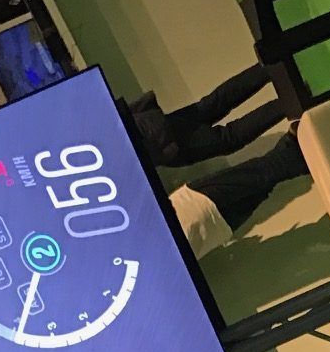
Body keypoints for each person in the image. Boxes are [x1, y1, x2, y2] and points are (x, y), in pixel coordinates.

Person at [168, 134, 310, 258]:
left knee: (264, 181)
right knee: (265, 172)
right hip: (193, 206)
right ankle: (298, 144)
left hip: (214, 231)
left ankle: (295, 149)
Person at [129, 65, 286, 170]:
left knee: (229, 138)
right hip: (144, 125)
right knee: (211, 105)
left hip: (155, 143)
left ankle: (285, 102)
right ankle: (269, 67)